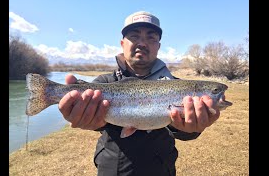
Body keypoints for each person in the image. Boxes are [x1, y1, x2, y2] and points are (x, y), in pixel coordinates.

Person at [58, 11, 220, 176]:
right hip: (112, 170)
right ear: (122, 44)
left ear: (158, 46)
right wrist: (88, 119)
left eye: (151, 38)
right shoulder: (103, 83)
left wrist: (192, 128)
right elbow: (94, 119)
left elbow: (186, 133)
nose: (142, 43)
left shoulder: (176, 86)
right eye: (134, 36)